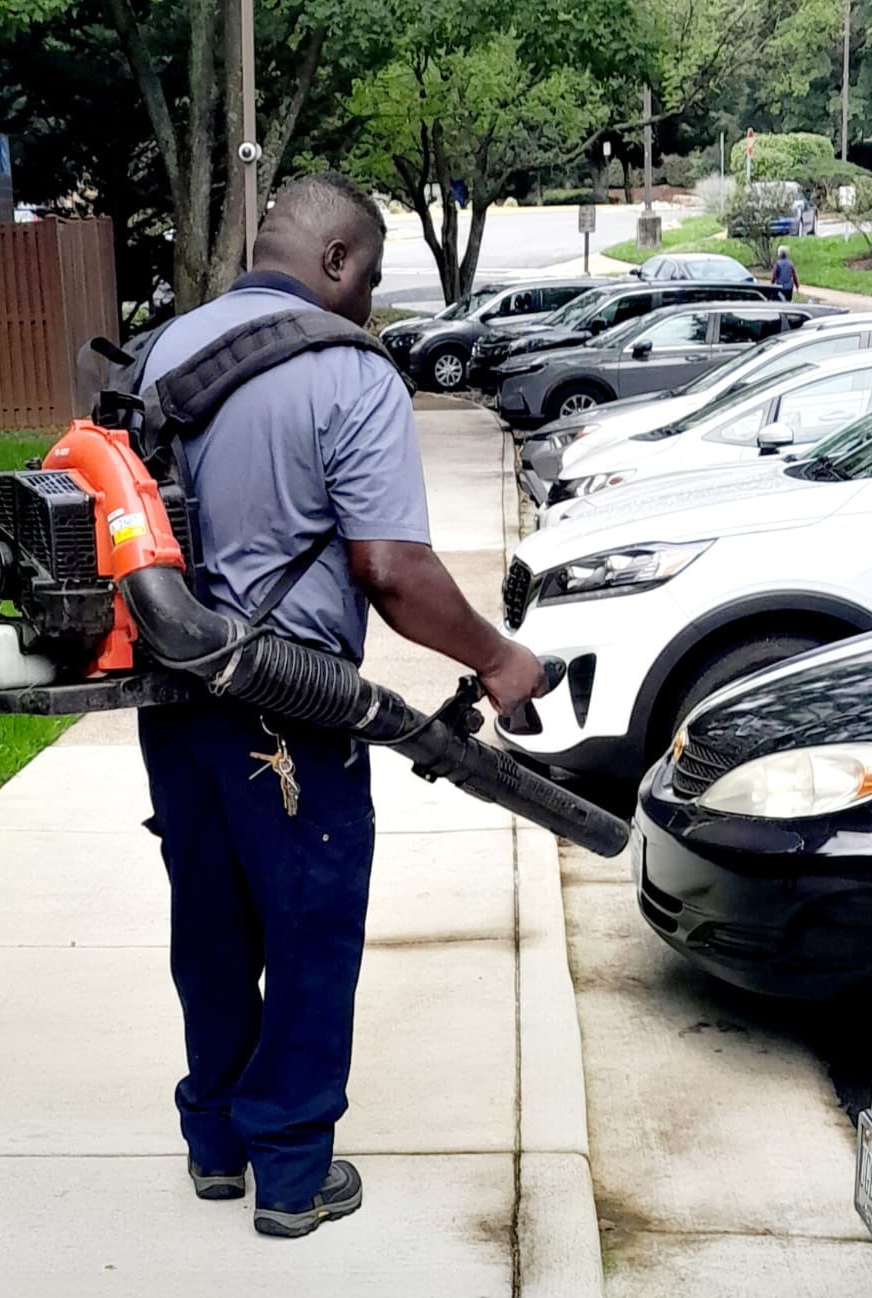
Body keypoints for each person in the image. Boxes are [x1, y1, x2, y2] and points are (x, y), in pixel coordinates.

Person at [135, 172, 545, 1240]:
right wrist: (497, 659)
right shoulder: (345, 370)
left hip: (173, 702)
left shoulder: (164, 351)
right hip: (291, 712)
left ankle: (215, 1142)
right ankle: (291, 1170)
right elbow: (392, 568)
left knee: (210, 922)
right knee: (310, 928)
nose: (366, 298)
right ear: (334, 263)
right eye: (366, 274)